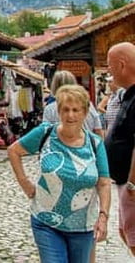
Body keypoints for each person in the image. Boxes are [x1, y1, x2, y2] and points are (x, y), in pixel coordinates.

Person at [8, 84, 110, 262]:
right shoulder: (46, 133)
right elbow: (14, 151)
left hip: (83, 226)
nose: (70, 115)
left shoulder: (95, 143)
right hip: (46, 222)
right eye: (65, 110)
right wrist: (25, 184)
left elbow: (103, 182)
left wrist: (103, 216)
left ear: (85, 113)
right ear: (59, 112)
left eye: (76, 110)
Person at [104, 41, 135, 256]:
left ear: (122, 65)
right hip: (124, 180)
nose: (109, 71)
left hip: (131, 183)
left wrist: (133, 182)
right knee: (127, 232)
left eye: (110, 65)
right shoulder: (129, 94)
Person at [43, 71, 104, 138]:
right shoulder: (88, 105)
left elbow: (45, 133)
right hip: (88, 146)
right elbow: (98, 130)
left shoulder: (50, 109)